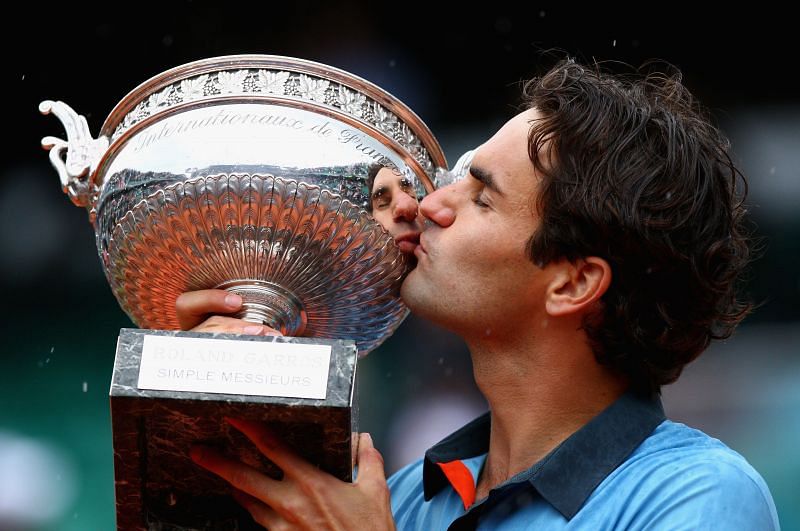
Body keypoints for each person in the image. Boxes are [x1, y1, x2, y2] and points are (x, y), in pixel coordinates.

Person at [178, 58, 780, 529]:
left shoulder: (700, 496)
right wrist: (221, 398)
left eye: (480, 197)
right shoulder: (406, 495)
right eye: (455, 179)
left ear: (573, 283)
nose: (429, 205)